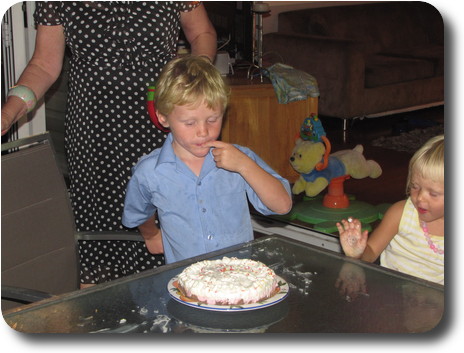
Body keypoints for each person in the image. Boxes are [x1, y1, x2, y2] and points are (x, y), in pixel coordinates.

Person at [1, 2, 217, 287]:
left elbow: (202, 33)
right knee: (101, 226)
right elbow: (43, 65)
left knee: (169, 219)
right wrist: (8, 112)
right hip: (94, 130)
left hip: (163, 121)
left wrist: (194, 84)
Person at [122, 55, 293, 264]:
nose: (203, 132)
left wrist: (245, 166)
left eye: (213, 119)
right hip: (185, 283)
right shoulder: (149, 172)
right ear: (163, 117)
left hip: (239, 278)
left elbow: (282, 206)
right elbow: (138, 211)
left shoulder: (240, 159)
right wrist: (151, 235)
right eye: (189, 122)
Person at [336, 135, 444, 284]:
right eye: (415, 186)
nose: (420, 198)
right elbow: (372, 251)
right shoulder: (400, 214)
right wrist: (357, 253)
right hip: (393, 298)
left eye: (433, 193)